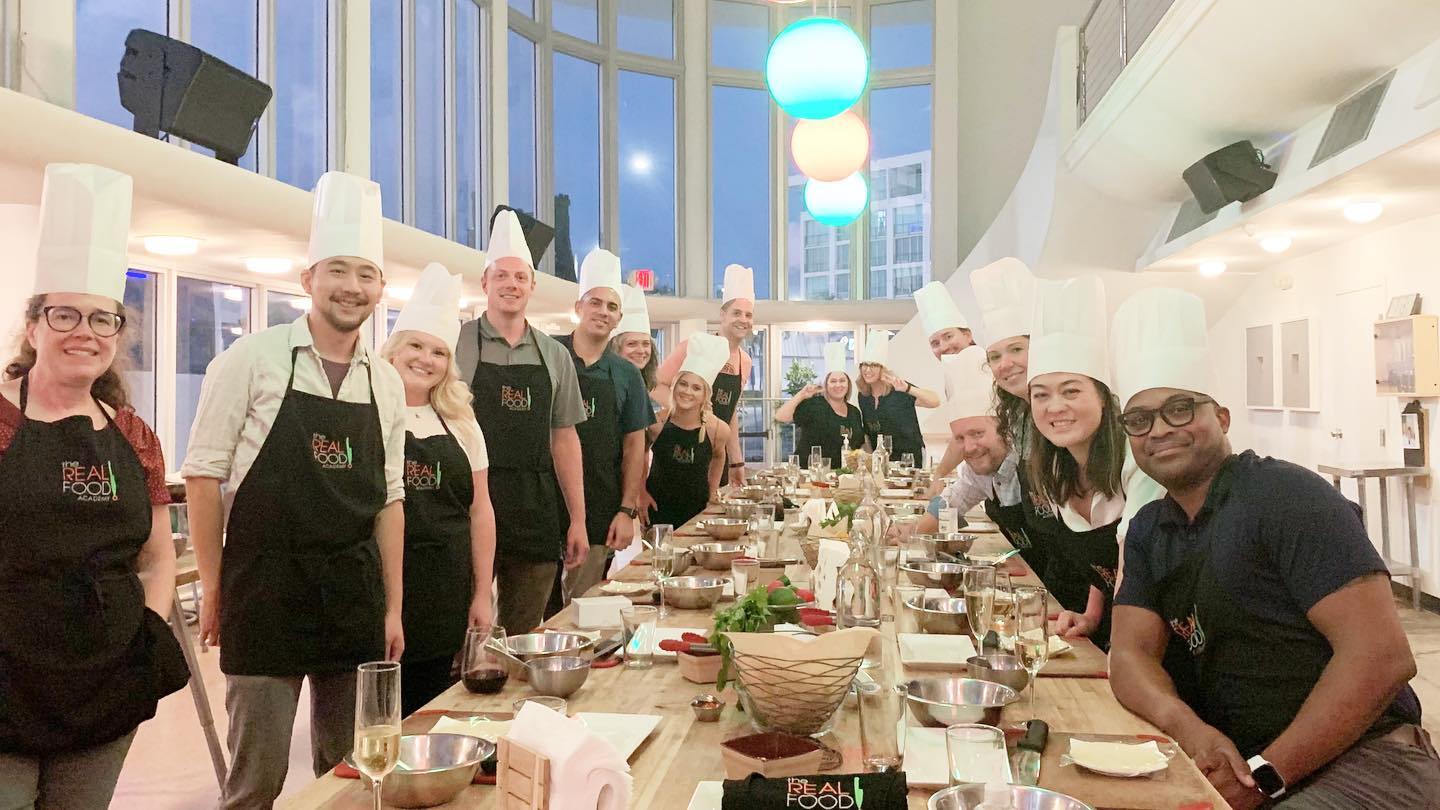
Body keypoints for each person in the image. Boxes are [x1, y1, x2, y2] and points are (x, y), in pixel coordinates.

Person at [1108, 287, 1437, 809]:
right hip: (1238, 761)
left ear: (1222, 417)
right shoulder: (1151, 528)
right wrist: (1189, 729)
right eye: (1140, 419)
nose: (1160, 430)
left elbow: (1380, 657)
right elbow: (1129, 654)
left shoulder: (1286, 496)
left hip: (1366, 761)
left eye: (1179, 409)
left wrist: (1263, 777)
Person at [182, 171, 408, 808]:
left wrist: (391, 606)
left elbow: (390, 500)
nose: (352, 287)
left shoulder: (384, 382)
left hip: (353, 595)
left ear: (380, 288)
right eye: (338, 270)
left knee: (352, 775)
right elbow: (203, 476)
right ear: (308, 278)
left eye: (366, 274)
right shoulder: (251, 359)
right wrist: (215, 585)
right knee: (255, 782)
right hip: (266, 590)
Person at [0, 164, 187, 809]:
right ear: (33, 328)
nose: (84, 331)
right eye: (65, 315)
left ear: (116, 335)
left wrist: (149, 632)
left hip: (105, 674)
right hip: (6, 671)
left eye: (102, 319)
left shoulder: (135, 436)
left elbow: (159, 556)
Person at [455, 209, 587, 635]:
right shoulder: (456, 344)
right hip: (465, 506)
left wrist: (578, 519)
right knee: (459, 632)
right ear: (485, 284)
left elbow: (564, 438)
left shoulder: (554, 355)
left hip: (534, 508)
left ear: (532, 285)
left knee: (524, 633)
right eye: (501, 276)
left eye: (520, 277)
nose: (511, 284)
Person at [382, 263, 496, 715]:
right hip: (377, 587)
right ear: (392, 350)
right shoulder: (366, 410)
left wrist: (482, 592)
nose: (426, 359)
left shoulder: (461, 422)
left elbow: (481, 511)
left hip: (444, 587)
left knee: (429, 708)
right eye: (415, 345)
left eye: (438, 352)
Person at [1025, 276, 1162, 648]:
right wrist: (1091, 615)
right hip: (1113, 631)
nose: (1055, 407)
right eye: (1041, 395)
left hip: (1160, 638)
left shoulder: (1137, 461)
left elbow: (1130, 557)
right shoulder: (1056, 467)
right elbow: (1100, 562)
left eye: (1071, 391)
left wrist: (1124, 658)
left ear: (1103, 397)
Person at [905, 346, 1086, 613]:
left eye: (977, 433)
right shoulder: (980, 470)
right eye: (960, 439)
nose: (969, 447)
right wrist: (911, 535)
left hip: (1073, 598)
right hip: (1035, 589)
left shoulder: (1040, 464)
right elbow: (950, 501)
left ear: (1005, 430)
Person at [556, 250, 654, 600]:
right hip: (541, 506)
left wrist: (626, 510)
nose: (602, 312)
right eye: (595, 302)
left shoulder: (626, 374)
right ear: (579, 307)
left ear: (618, 318)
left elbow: (634, 444)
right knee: (532, 612)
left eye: (611, 307)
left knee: (581, 608)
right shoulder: (550, 355)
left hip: (600, 507)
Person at [656, 264, 755, 488]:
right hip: (682, 443)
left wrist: (737, 462)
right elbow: (655, 384)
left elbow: (730, 414)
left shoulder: (745, 361)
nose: (743, 319)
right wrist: (688, 409)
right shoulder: (694, 345)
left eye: (748, 315)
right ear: (722, 315)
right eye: (736, 313)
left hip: (716, 449)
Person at [646, 333, 731, 528]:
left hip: (698, 509)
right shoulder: (656, 423)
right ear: (674, 387)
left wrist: (713, 492)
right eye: (683, 384)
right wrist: (640, 493)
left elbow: (719, 457)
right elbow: (638, 456)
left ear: (705, 395)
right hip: (658, 507)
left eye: (696, 388)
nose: (687, 391)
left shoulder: (717, 429)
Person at [913, 279, 978, 482]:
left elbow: (968, 435)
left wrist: (939, 474)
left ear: (967, 335)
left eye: (948, 336)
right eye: (935, 343)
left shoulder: (977, 362)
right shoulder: (954, 372)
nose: (943, 347)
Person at [775, 342, 864, 470]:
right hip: (807, 472)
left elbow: (857, 446)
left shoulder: (854, 412)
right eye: (833, 381)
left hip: (840, 474)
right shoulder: (815, 405)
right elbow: (781, 416)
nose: (838, 385)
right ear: (826, 385)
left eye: (842, 380)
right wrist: (801, 395)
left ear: (848, 384)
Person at [856, 329, 940, 465]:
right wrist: (871, 459)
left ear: (882, 368)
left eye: (873, 365)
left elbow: (934, 401)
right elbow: (868, 430)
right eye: (864, 365)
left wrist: (908, 388)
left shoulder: (898, 389)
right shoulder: (863, 395)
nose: (868, 370)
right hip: (881, 460)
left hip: (909, 458)